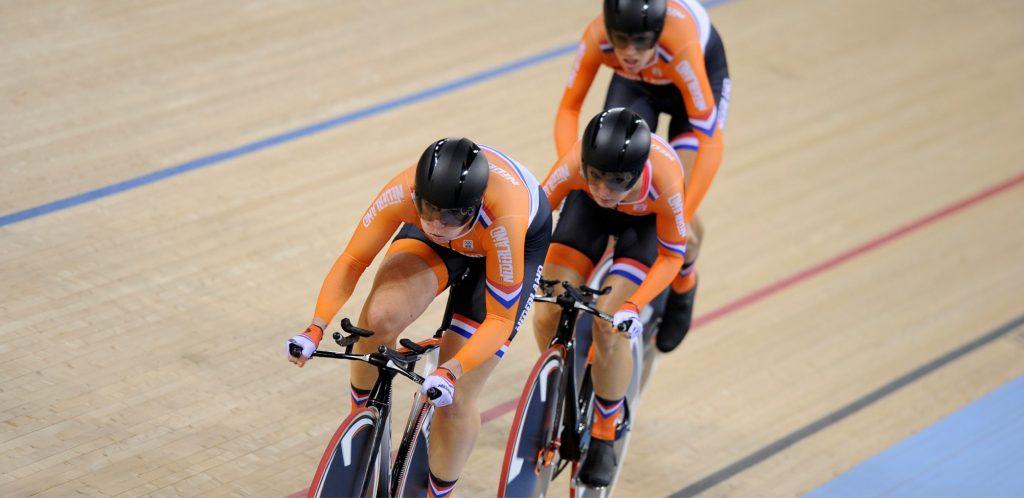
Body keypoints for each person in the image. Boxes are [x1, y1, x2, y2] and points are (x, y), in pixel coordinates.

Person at [286, 137, 551, 496]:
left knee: (455, 398)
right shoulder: (404, 191)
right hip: (455, 241)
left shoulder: (505, 216)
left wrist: (450, 370)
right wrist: (315, 327)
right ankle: (363, 428)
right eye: (429, 210)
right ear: (419, 195)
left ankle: (437, 492)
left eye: (451, 216)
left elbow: (500, 321)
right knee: (377, 320)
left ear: (474, 206)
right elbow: (352, 261)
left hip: (503, 244)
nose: (438, 224)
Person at [556, 0, 730, 352]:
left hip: (690, 87)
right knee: (611, 158)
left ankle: (684, 282)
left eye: (640, 41)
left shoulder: (679, 41)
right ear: (609, 31)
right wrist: (574, 171)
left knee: (679, 204)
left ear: (657, 33)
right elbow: (569, 108)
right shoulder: (597, 37)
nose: (630, 52)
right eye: (621, 40)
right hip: (636, 86)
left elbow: (710, 140)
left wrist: (681, 212)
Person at [536, 108, 687, 486]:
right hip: (586, 215)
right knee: (547, 310)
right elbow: (535, 219)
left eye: (617, 181)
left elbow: (671, 256)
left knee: (608, 325)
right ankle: (559, 380)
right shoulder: (574, 164)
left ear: (638, 172)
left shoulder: (666, 178)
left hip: (644, 226)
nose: (604, 189)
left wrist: (634, 306)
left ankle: (605, 430)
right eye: (596, 176)